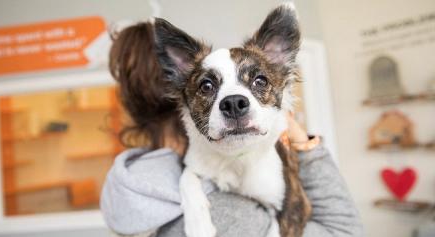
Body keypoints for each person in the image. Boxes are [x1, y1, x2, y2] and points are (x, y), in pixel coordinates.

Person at [101, 22, 364, 237]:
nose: (234, 101)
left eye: (258, 82)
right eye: (206, 87)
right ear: (180, 94)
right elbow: (344, 230)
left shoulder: (132, 187)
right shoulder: (224, 212)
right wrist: (301, 139)